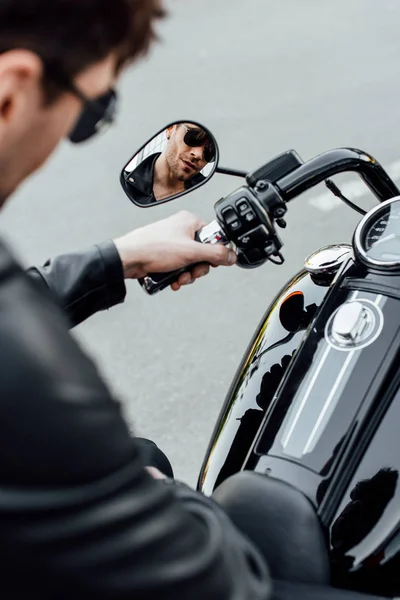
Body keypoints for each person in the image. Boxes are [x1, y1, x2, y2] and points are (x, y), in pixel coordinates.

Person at [0, 1, 273, 599]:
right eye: (91, 112)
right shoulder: (29, 380)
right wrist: (144, 488)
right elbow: (213, 585)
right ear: (10, 94)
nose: (70, 141)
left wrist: (117, 259)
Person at [125, 122, 215, 204]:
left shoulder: (211, 197)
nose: (198, 155)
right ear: (170, 129)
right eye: (193, 138)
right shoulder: (126, 190)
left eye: (210, 150)